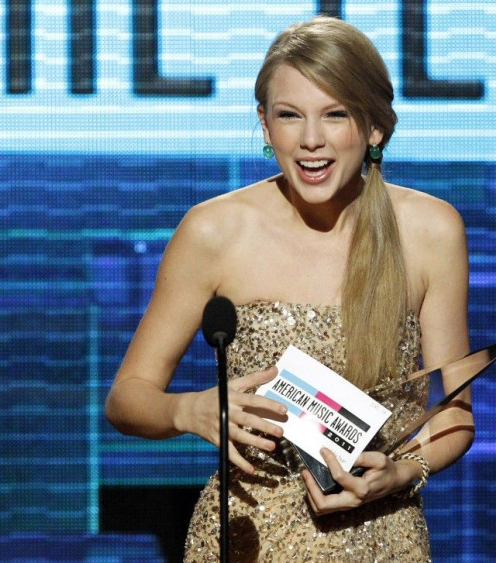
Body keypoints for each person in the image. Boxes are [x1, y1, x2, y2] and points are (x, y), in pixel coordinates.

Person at [105, 15, 473, 562]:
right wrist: (192, 411)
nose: (310, 141)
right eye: (289, 116)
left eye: (335, 115)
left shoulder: (430, 232)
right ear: (264, 123)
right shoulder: (213, 231)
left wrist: (400, 472)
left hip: (383, 536)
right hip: (244, 537)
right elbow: (126, 399)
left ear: (374, 127)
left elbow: (455, 412)